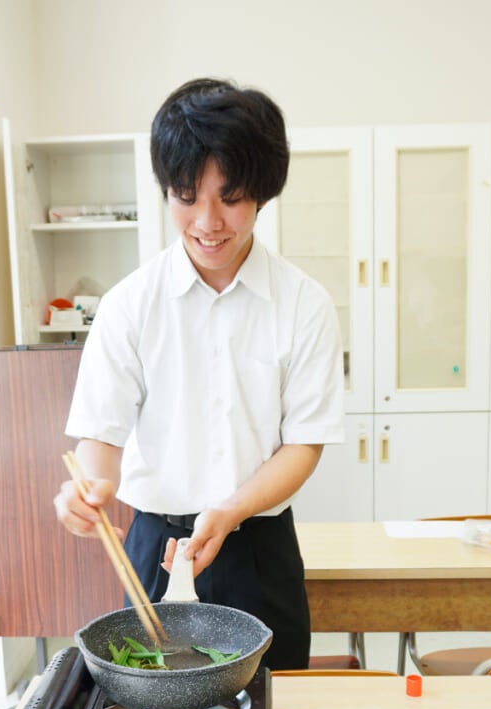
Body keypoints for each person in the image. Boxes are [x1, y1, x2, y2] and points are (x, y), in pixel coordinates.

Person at [54, 78, 344, 670]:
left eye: (230, 197)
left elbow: (304, 444)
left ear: (262, 194)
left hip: (258, 548)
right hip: (154, 545)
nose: (207, 221)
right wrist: (90, 488)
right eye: (186, 196)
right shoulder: (129, 305)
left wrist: (231, 510)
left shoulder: (304, 304)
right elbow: (101, 437)